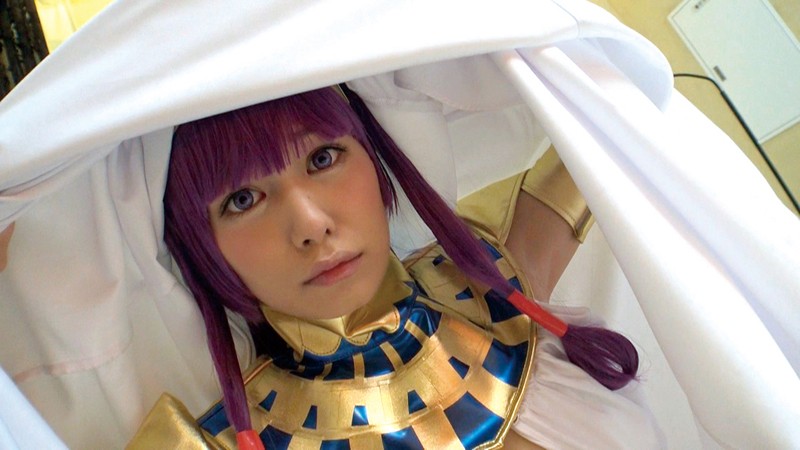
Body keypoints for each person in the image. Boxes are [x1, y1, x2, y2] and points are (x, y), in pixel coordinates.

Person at [127, 86, 662, 449]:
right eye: (242, 200)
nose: (311, 224)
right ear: (199, 248)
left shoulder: (490, 290)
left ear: (375, 156)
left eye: (322, 158)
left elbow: (616, 121)